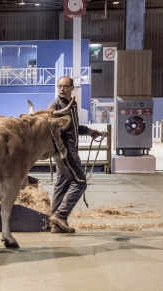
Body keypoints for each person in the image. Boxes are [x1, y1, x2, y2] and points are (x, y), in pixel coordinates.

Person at [47, 76, 101, 234]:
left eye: (65, 86)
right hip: (66, 152)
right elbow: (48, 127)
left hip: (68, 150)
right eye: (59, 86)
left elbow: (73, 126)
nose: (62, 89)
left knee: (62, 185)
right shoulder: (55, 105)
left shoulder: (71, 104)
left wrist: (88, 131)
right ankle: (60, 215)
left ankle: (55, 224)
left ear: (72, 87)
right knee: (80, 182)